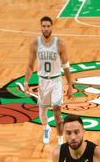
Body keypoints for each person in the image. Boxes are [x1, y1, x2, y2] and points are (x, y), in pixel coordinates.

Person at [25, 15, 74, 146]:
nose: (46, 29)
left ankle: (60, 141)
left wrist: (70, 84)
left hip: (56, 81)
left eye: (48, 26)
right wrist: (26, 81)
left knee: (58, 112)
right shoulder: (35, 44)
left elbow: (66, 66)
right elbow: (30, 65)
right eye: (44, 26)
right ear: (41, 27)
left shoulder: (60, 44)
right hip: (42, 82)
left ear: (51, 27)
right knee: (42, 112)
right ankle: (46, 128)